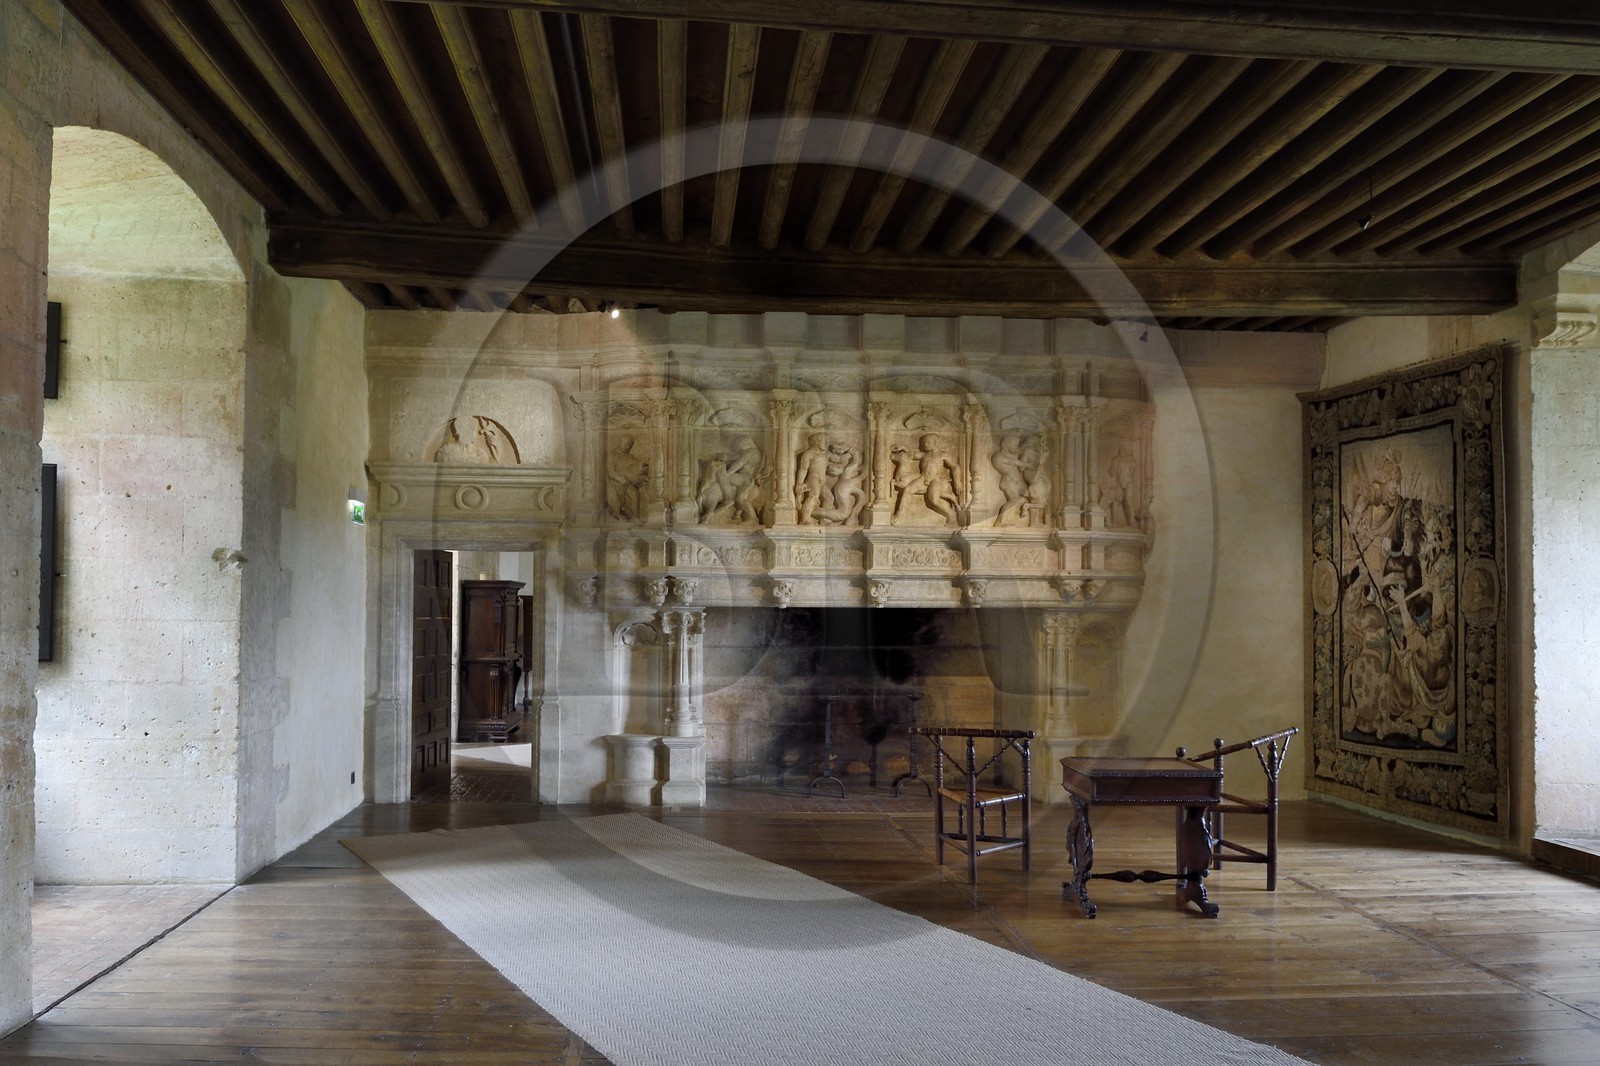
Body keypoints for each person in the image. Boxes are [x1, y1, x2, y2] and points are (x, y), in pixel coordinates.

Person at [606, 434, 649, 521]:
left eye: (629, 445)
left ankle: (635, 517)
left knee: (634, 494)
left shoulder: (629, 456)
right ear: (620, 442)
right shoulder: (612, 455)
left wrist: (642, 464)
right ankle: (619, 513)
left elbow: (636, 463)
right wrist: (620, 478)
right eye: (625, 444)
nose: (627, 447)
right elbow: (611, 472)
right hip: (616, 482)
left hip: (628, 482)